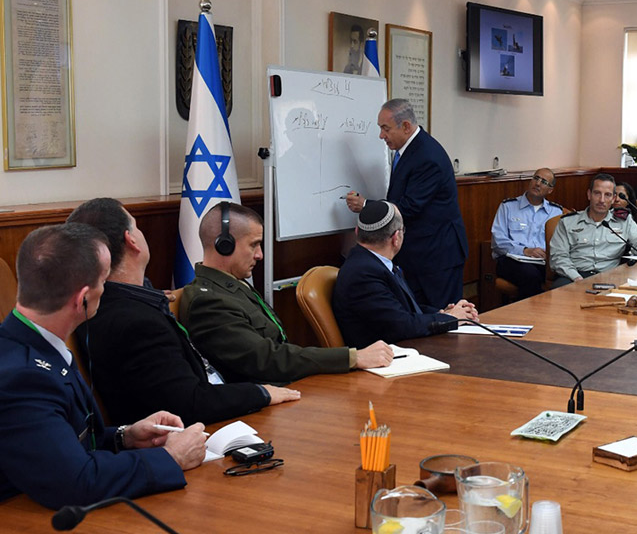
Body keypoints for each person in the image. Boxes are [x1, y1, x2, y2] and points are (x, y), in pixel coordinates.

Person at [0, 223, 206, 509]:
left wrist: (126, 436)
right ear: (82, 298)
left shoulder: (32, 342)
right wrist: (171, 458)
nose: (107, 287)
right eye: (104, 279)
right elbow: (76, 481)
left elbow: (60, 442)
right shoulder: (21, 377)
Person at [67, 198, 300, 426]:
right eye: (136, 226)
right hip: (196, 434)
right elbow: (190, 404)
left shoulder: (115, 303)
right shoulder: (135, 323)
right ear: (131, 241)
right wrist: (261, 393)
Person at [180, 202, 394, 384]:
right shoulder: (207, 301)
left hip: (285, 388)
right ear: (223, 245)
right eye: (253, 245)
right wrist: (353, 357)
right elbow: (267, 359)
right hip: (261, 407)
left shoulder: (232, 284)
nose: (260, 255)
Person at [345, 98, 468, 308]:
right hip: (419, 254)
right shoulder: (408, 150)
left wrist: (366, 206)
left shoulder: (427, 156)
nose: (381, 135)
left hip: (437, 257)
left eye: (385, 128)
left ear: (406, 126)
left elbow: (410, 206)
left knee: (444, 320)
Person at [333, 201, 478, 348]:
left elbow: (405, 309)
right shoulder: (363, 273)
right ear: (396, 238)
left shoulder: (372, 263)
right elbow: (400, 326)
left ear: (357, 232)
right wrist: (450, 318)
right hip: (385, 359)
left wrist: (445, 313)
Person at [550, 174, 637, 287]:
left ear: (613, 198)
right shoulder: (567, 222)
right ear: (589, 194)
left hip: (609, 276)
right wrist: (577, 278)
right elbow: (558, 257)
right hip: (574, 275)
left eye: (607, 195)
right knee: (559, 289)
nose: (602, 200)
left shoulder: (623, 220)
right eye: (597, 193)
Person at [490, 168, 563, 299]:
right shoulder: (508, 206)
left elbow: (560, 242)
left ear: (550, 190)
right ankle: (531, 317)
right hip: (511, 260)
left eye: (544, 182)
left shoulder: (556, 212)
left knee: (559, 278)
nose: (538, 184)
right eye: (536, 178)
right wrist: (525, 250)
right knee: (530, 275)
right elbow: (498, 242)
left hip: (543, 262)